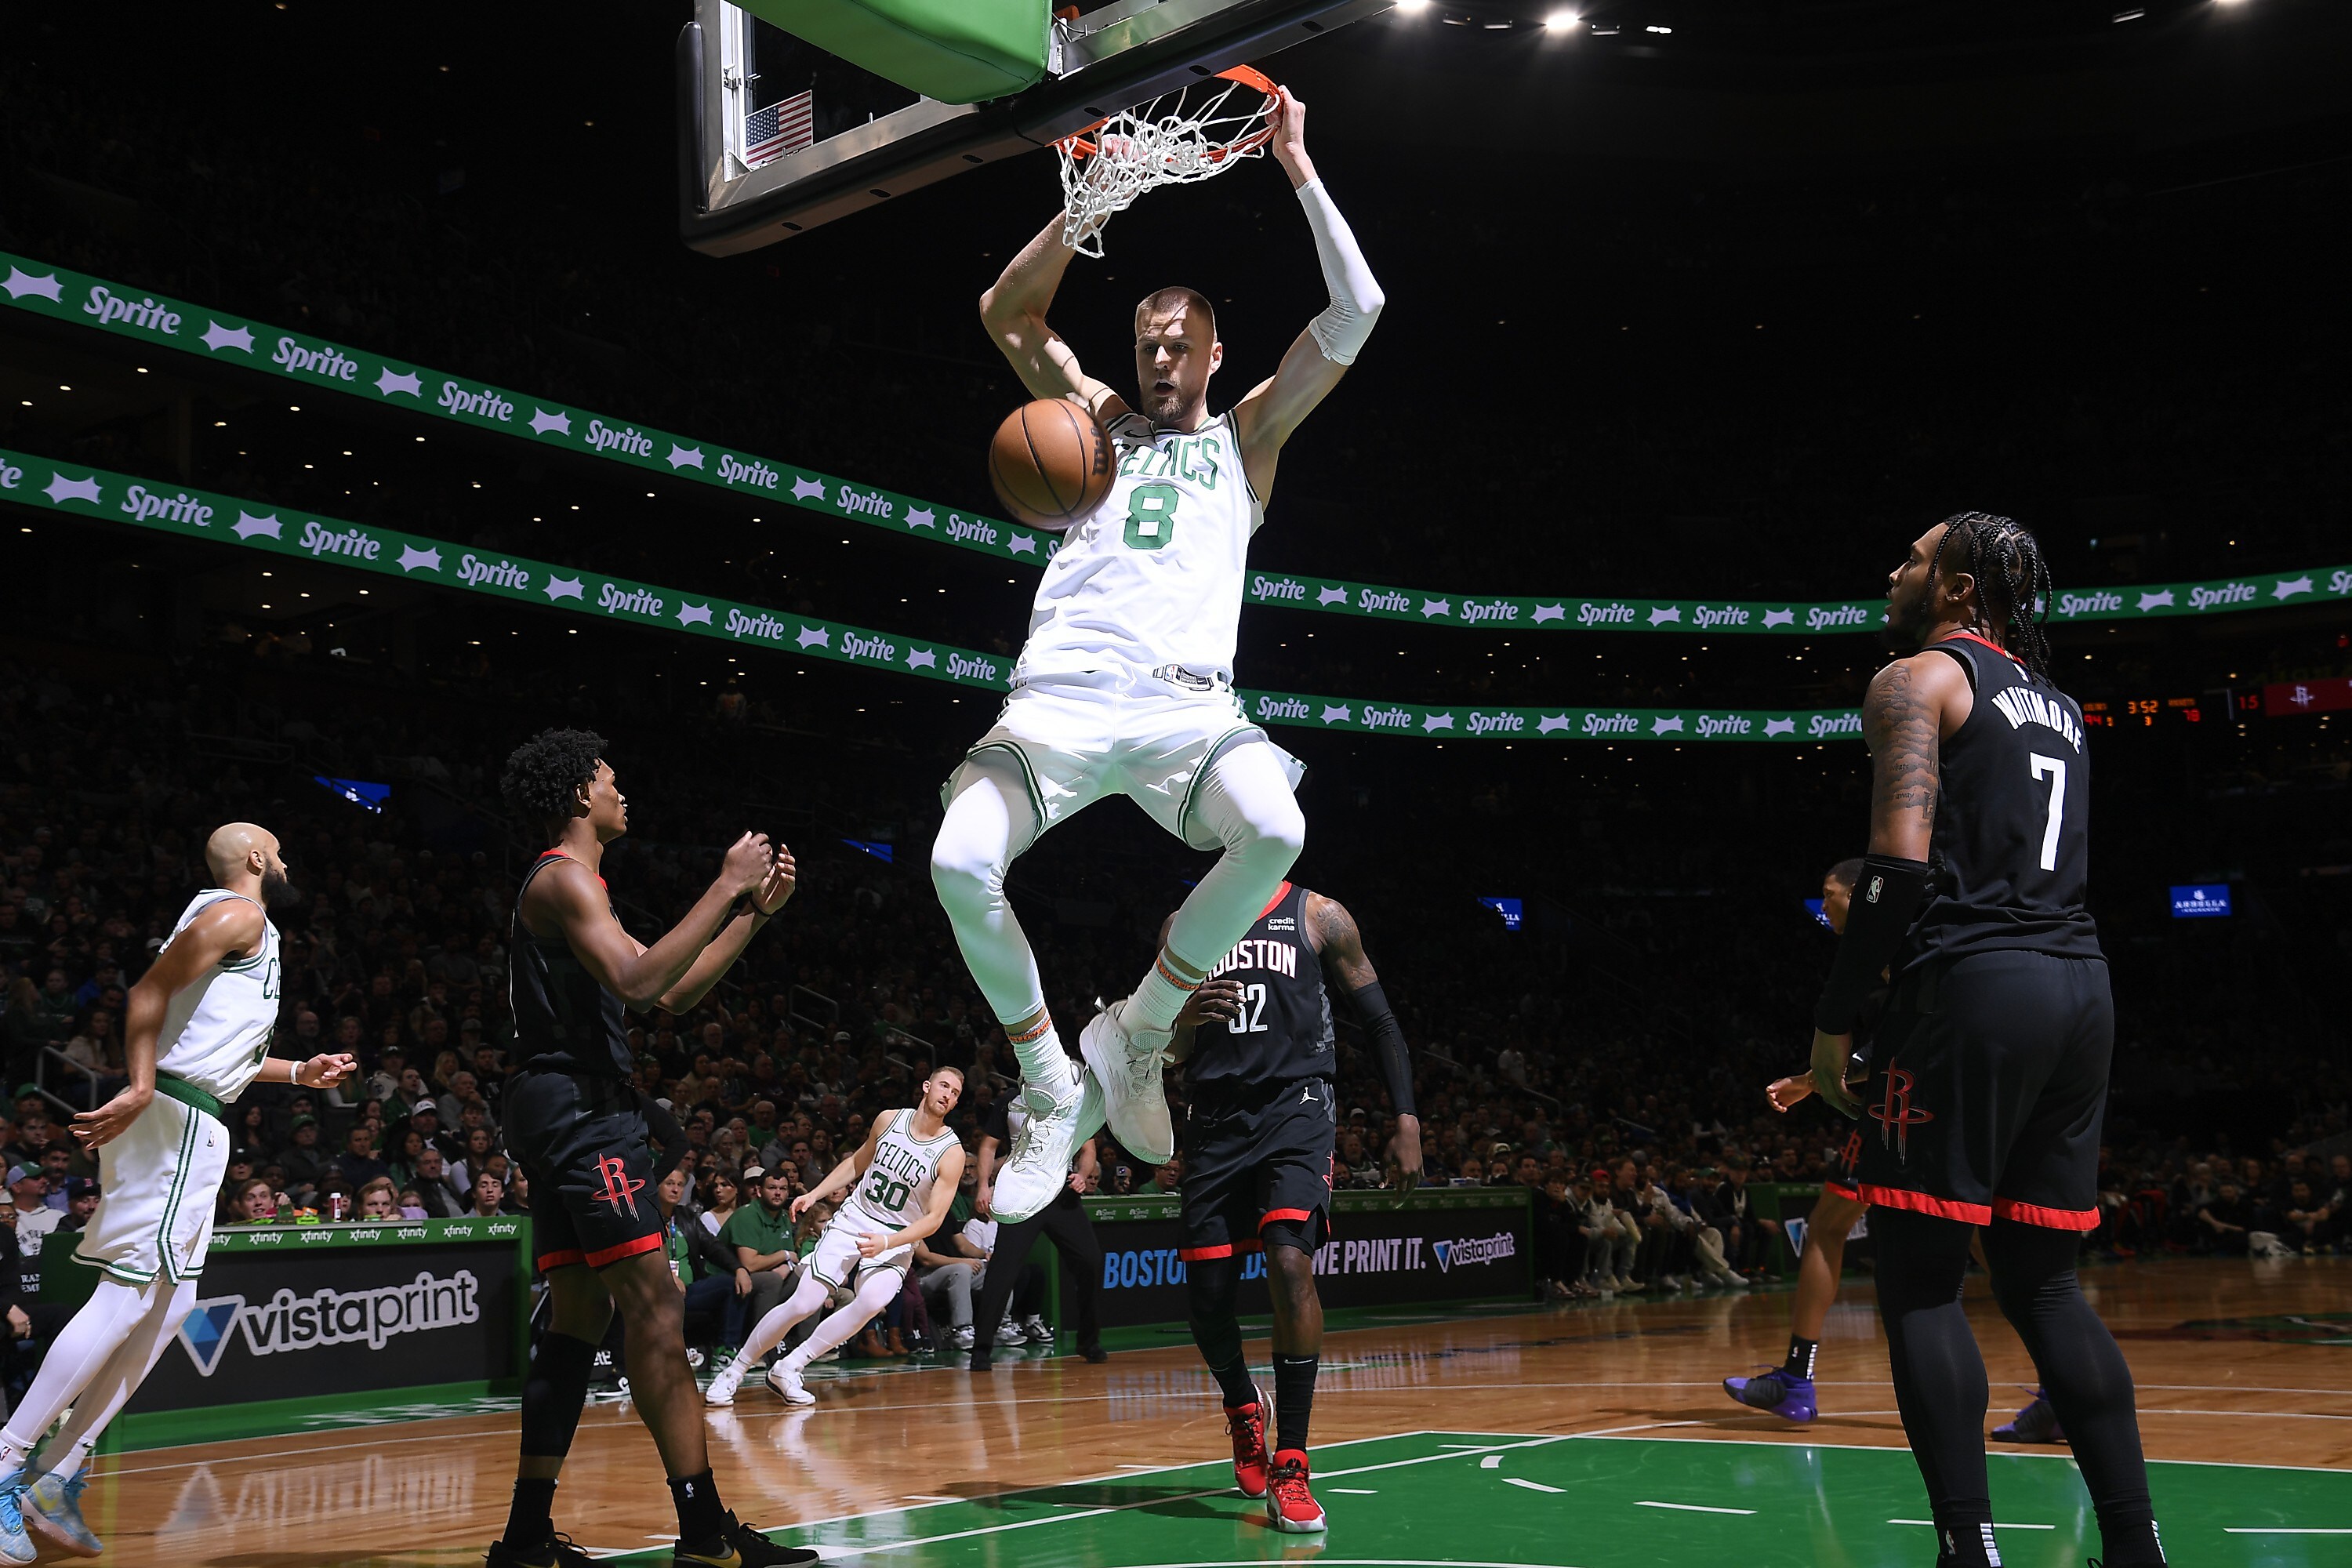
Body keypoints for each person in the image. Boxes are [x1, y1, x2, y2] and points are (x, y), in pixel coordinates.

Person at [934, 84, 1383, 1229]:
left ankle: (1133, 1034)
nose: (1159, 358)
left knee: (1278, 827)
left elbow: (1360, 306)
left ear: (1217, 352)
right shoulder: (1090, 422)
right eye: (1145, 344)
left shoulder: (1249, 435)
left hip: (1192, 713)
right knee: (955, 861)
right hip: (1061, 698)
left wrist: (1298, 168)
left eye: (1179, 344)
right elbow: (1005, 315)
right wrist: (1083, 208)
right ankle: (1048, 1075)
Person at [1809, 514, 2163, 1568]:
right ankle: (2136, 1547)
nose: (1892, 568)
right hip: (2079, 987)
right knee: (2045, 1285)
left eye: (1912, 558)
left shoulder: (1916, 680)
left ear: (1960, 590)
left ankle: (1969, 1549)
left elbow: (1899, 872)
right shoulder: (2059, 705)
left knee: (1919, 1282)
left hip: (1977, 986)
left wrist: (1834, 1024)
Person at [488, 729, 808, 1568]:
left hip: (561, 1110)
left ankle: (526, 1537)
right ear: (577, 796)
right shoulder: (562, 878)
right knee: (657, 1308)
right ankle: (703, 1531)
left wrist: (749, 914)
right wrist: (726, 879)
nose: (622, 790)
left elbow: (671, 990)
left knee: (580, 1316)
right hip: (582, 1115)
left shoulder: (581, 888)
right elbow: (639, 984)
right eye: (610, 778)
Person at [0, 822, 358, 1560]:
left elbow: (203, 1040)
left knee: (172, 1303)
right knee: (128, 1295)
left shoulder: (238, 927)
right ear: (256, 859)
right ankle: (7, 1465)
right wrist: (136, 1087)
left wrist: (296, 1073)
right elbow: (146, 993)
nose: (286, 858)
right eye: (279, 848)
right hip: (172, 1118)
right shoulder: (240, 912)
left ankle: (58, 1474)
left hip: (191, 1114)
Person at [1169, 884, 1423, 1534]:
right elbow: (1159, 1045)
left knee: (1290, 1263)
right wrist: (1181, 1015)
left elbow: (1381, 1021)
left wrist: (1407, 1117)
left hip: (1297, 1108)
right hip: (1213, 1117)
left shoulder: (1320, 915)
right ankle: (1243, 1406)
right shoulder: (1185, 921)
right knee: (1207, 1299)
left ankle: (1293, 1461)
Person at [706, 1068, 967, 1406]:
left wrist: (888, 1243)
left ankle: (790, 1367)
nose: (948, 1095)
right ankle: (734, 1372)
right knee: (804, 1302)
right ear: (927, 1087)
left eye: (956, 1092)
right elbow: (858, 1161)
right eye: (944, 1086)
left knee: (873, 1301)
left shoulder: (952, 1152)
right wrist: (814, 1194)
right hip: (855, 1218)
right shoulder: (889, 1119)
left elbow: (934, 1220)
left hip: (896, 1237)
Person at [1723, 857, 1873, 1424]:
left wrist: (1812, 1081)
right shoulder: (1890, 946)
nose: (1823, 905)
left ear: (1859, 895)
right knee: (1827, 1225)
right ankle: (1794, 1380)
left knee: (1828, 1229)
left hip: (1907, 1108)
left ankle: (1795, 1383)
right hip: (1915, 1102)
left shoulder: (1885, 951)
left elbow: (1901, 1045)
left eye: (1828, 893)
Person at [966, 1091, 1105, 1369]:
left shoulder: (1071, 1097)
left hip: (1060, 1196)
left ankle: (1088, 1341)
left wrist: (1082, 1173)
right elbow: (988, 1145)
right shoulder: (1008, 1101)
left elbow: (1088, 1148)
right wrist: (983, 1185)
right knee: (1002, 1271)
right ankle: (981, 1348)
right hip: (1021, 1194)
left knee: (1091, 1262)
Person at [717, 1168, 802, 1364]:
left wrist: (788, 1265)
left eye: (783, 1189)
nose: (778, 1193)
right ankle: (757, 1350)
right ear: (758, 1190)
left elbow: (794, 1260)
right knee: (771, 1280)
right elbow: (749, 1264)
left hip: (764, 1277)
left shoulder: (783, 1217)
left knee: (804, 1275)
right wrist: (784, 1255)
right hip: (731, 1278)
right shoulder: (746, 1216)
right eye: (772, 1188)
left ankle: (802, 1347)